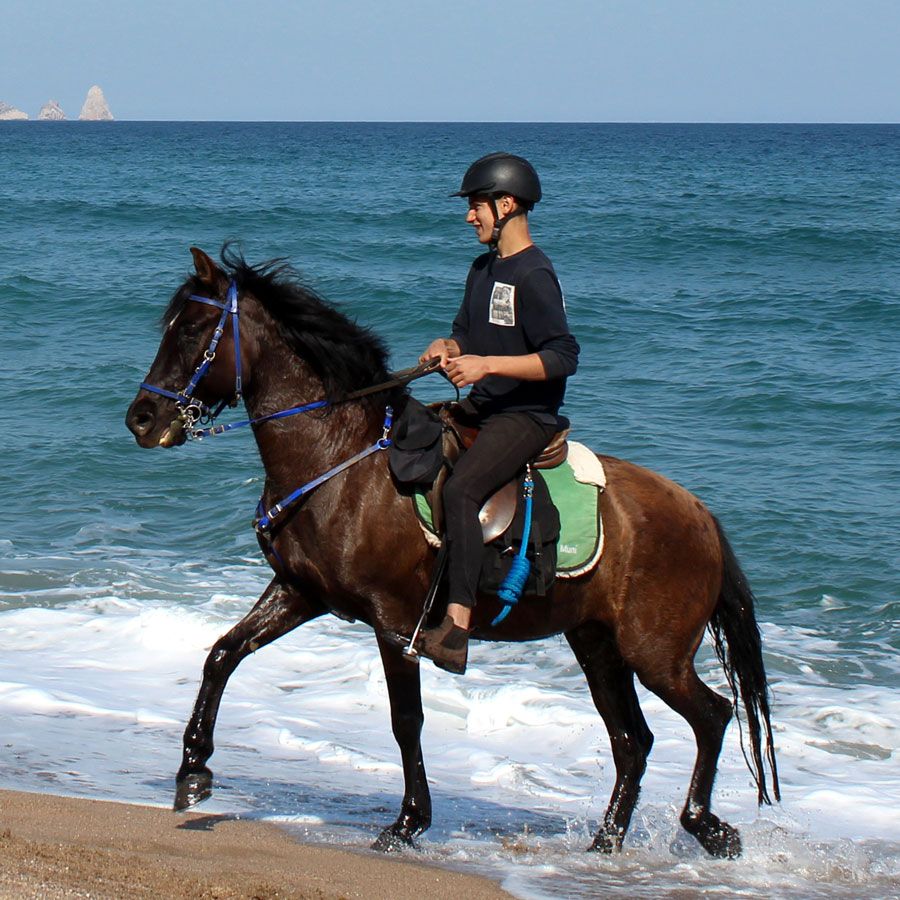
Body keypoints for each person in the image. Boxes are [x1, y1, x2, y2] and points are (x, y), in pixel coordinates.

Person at [415, 152, 580, 674]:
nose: (470, 216)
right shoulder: (482, 268)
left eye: (476, 206)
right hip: (483, 407)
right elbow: (465, 330)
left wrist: (487, 365)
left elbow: (562, 356)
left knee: (464, 488)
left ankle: (458, 625)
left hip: (525, 416)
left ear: (505, 205)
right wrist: (447, 345)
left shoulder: (535, 274)